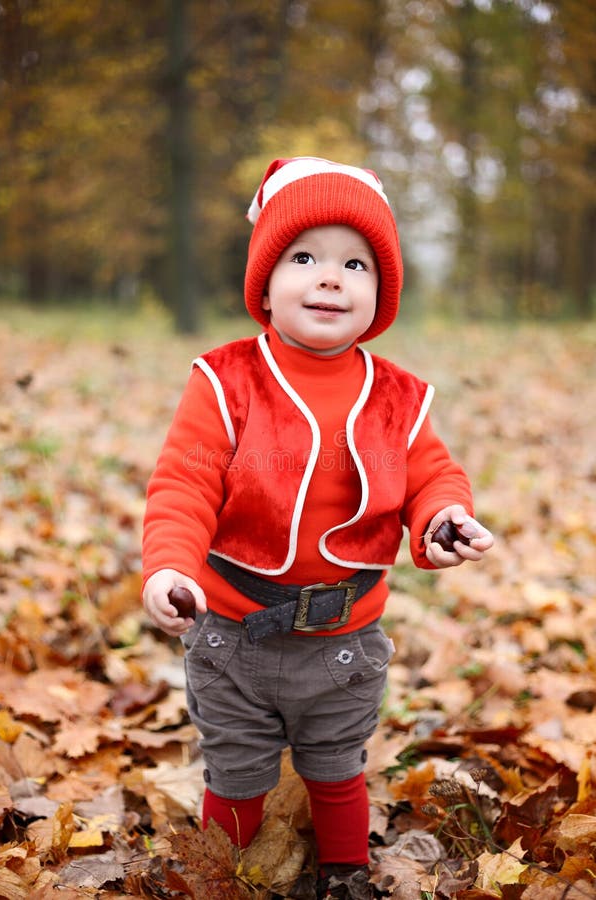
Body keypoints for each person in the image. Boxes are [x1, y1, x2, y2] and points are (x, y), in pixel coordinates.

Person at [141, 156, 494, 899]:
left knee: (336, 770)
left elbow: (434, 476)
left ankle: (346, 876)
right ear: (264, 283)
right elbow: (185, 482)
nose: (330, 278)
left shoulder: (397, 397)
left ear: (380, 293)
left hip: (345, 641)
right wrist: (170, 566)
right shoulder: (227, 381)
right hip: (233, 630)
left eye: (355, 264)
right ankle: (222, 877)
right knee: (237, 771)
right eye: (304, 257)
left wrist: (444, 519)